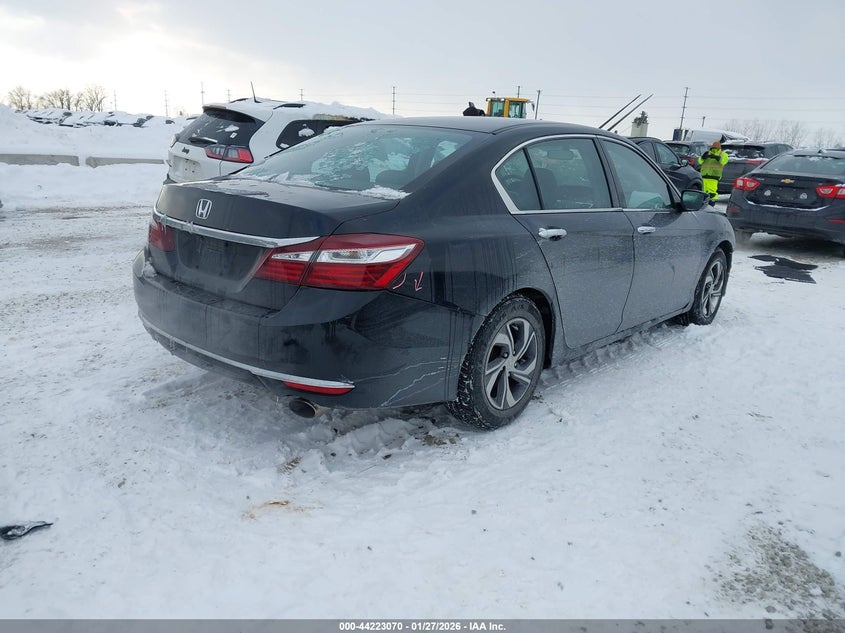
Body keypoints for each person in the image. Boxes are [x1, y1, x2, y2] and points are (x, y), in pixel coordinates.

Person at [697, 140, 729, 205]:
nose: (714, 149)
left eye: (715, 148)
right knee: (703, 192)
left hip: (713, 177)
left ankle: (711, 204)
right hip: (704, 176)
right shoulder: (707, 153)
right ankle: (704, 204)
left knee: (712, 193)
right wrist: (703, 157)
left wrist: (718, 158)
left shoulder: (723, 154)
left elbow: (723, 161)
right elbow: (700, 161)